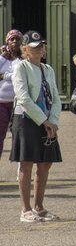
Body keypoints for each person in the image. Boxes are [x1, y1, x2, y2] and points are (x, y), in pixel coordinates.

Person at [11, 31, 62, 223]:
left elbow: (56, 98)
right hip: (26, 120)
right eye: (35, 46)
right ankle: (25, 210)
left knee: (45, 163)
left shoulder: (48, 69)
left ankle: (39, 207)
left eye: (41, 45)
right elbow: (23, 97)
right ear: (25, 50)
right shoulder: (21, 68)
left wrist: (53, 121)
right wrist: (44, 121)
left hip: (48, 120)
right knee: (26, 162)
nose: (40, 49)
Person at [0, 29, 22, 158]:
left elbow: (19, 76)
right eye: (11, 39)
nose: (14, 41)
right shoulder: (2, 58)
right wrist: (2, 57)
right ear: (7, 42)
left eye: (17, 39)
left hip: (17, 104)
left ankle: (21, 171)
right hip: (1, 103)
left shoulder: (23, 59)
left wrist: (3, 76)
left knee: (18, 137)